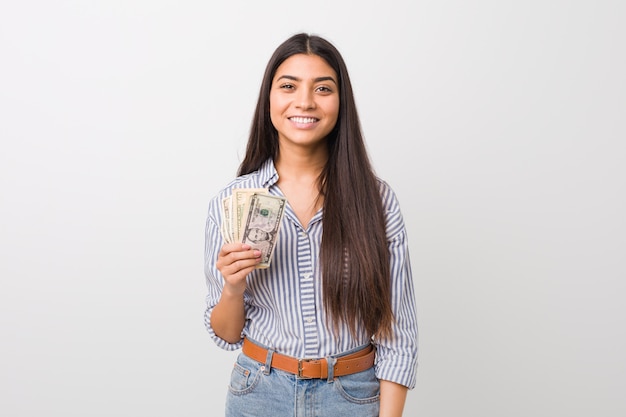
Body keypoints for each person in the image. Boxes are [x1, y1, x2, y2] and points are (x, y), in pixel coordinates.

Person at [204, 33, 418, 417]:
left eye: (323, 88)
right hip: (259, 394)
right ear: (269, 97)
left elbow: (397, 331)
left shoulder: (377, 200)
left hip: (353, 396)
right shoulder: (230, 201)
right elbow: (226, 333)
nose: (304, 101)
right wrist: (233, 288)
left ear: (341, 102)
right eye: (288, 86)